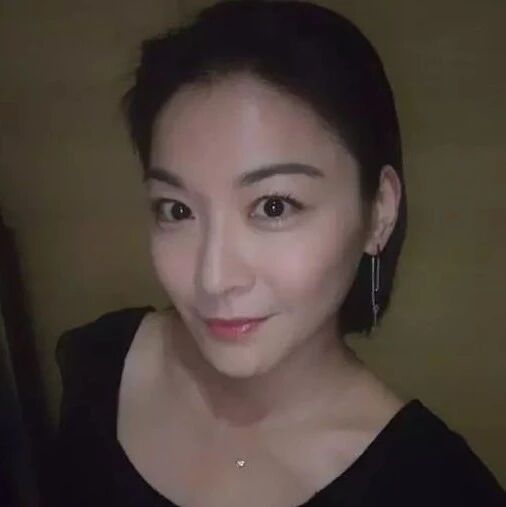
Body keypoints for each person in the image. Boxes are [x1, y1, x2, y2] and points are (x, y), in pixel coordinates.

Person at [54, 1, 505, 505]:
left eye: (273, 206)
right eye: (176, 210)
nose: (213, 279)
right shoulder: (103, 365)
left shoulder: (435, 487)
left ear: (379, 211)